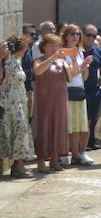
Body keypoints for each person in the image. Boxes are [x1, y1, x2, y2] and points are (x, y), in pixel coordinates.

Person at [31, 33, 73, 172]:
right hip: (45, 100)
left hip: (60, 100)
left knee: (58, 128)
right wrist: (52, 58)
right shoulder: (39, 60)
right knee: (45, 128)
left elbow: (71, 77)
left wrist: (77, 61)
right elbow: (38, 71)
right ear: (44, 47)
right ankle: (41, 160)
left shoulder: (62, 61)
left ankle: (55, 160)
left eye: (57, 45)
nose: (55, 48)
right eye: (51, 45)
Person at [58, 25, 95, 166]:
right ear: (65, 36)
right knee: (68, 125)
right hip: (67, 90)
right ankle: (65, 153)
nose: (75, 36)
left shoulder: (79, 52)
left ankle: (77, 154)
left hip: (79, 90)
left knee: (80, 125)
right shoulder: (62, 53)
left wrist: (85, 66)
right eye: (72, 33)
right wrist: (80, 65)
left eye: (77, 33)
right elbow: (70, 75)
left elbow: (84, 77)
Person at [0, 37, 35, 177]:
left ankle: (18, 164)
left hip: (18, 102)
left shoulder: (17, 61)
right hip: (7, 102)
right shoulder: (4, 62)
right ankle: (15, 165)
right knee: (10, 130)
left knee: (20, 129)